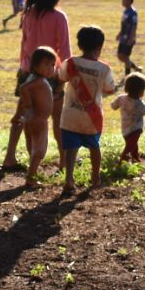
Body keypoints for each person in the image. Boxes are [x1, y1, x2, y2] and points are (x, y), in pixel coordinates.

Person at [0, 0, 71, 174]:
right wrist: (62, 79)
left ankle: (11, 157)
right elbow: (65, 52)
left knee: (24, 116)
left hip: (27, 72)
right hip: (51, 75)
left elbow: (24, 44)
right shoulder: (59, 17)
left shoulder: (28, 14)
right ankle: (63, 162)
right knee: (57, 120)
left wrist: (25, 70)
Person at [57, 25, 117, 195]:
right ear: (100, 47)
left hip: (70, 116)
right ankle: (95, 176)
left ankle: (69, 180)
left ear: (79, 45)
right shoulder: (104, 69)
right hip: (92, 118)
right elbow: (110, 89)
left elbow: (61, 77)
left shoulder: (70, 62)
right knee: (94, 147)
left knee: (70, 149)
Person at [7, 46, 58, 188]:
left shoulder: (35, 79)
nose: (51, 68)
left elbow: (26, 95)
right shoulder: (38, 81)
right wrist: (26, 103)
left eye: (53, 65)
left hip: (30, 120)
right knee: (40, 150)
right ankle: (31, 178)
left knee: (31, 146)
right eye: (47, 65)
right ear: (35, 66)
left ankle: (32, 171)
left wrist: (19, 114)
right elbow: (23, 88)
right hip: (39, 120)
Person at [110, 73, 145, 164]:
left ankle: (135, 158)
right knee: (130, 146)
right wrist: (142, 102)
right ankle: (122, 161)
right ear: (140, 91)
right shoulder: (139, 103)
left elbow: (113, 106)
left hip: (125, 128)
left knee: (132, 145)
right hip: (136, 129)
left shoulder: (121, 98)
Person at [115, 0, 140, 76]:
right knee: (120, 56)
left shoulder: (133, 12)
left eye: (124, 0)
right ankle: (136, 68)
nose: (122, 2)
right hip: (123, 37)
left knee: (125, 57)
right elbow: (124, 24)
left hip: (128, 38)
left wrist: (131, 38)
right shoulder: (126, 11)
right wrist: (120, 33)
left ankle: (127, 76)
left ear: (129, 1)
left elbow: (134, 26)